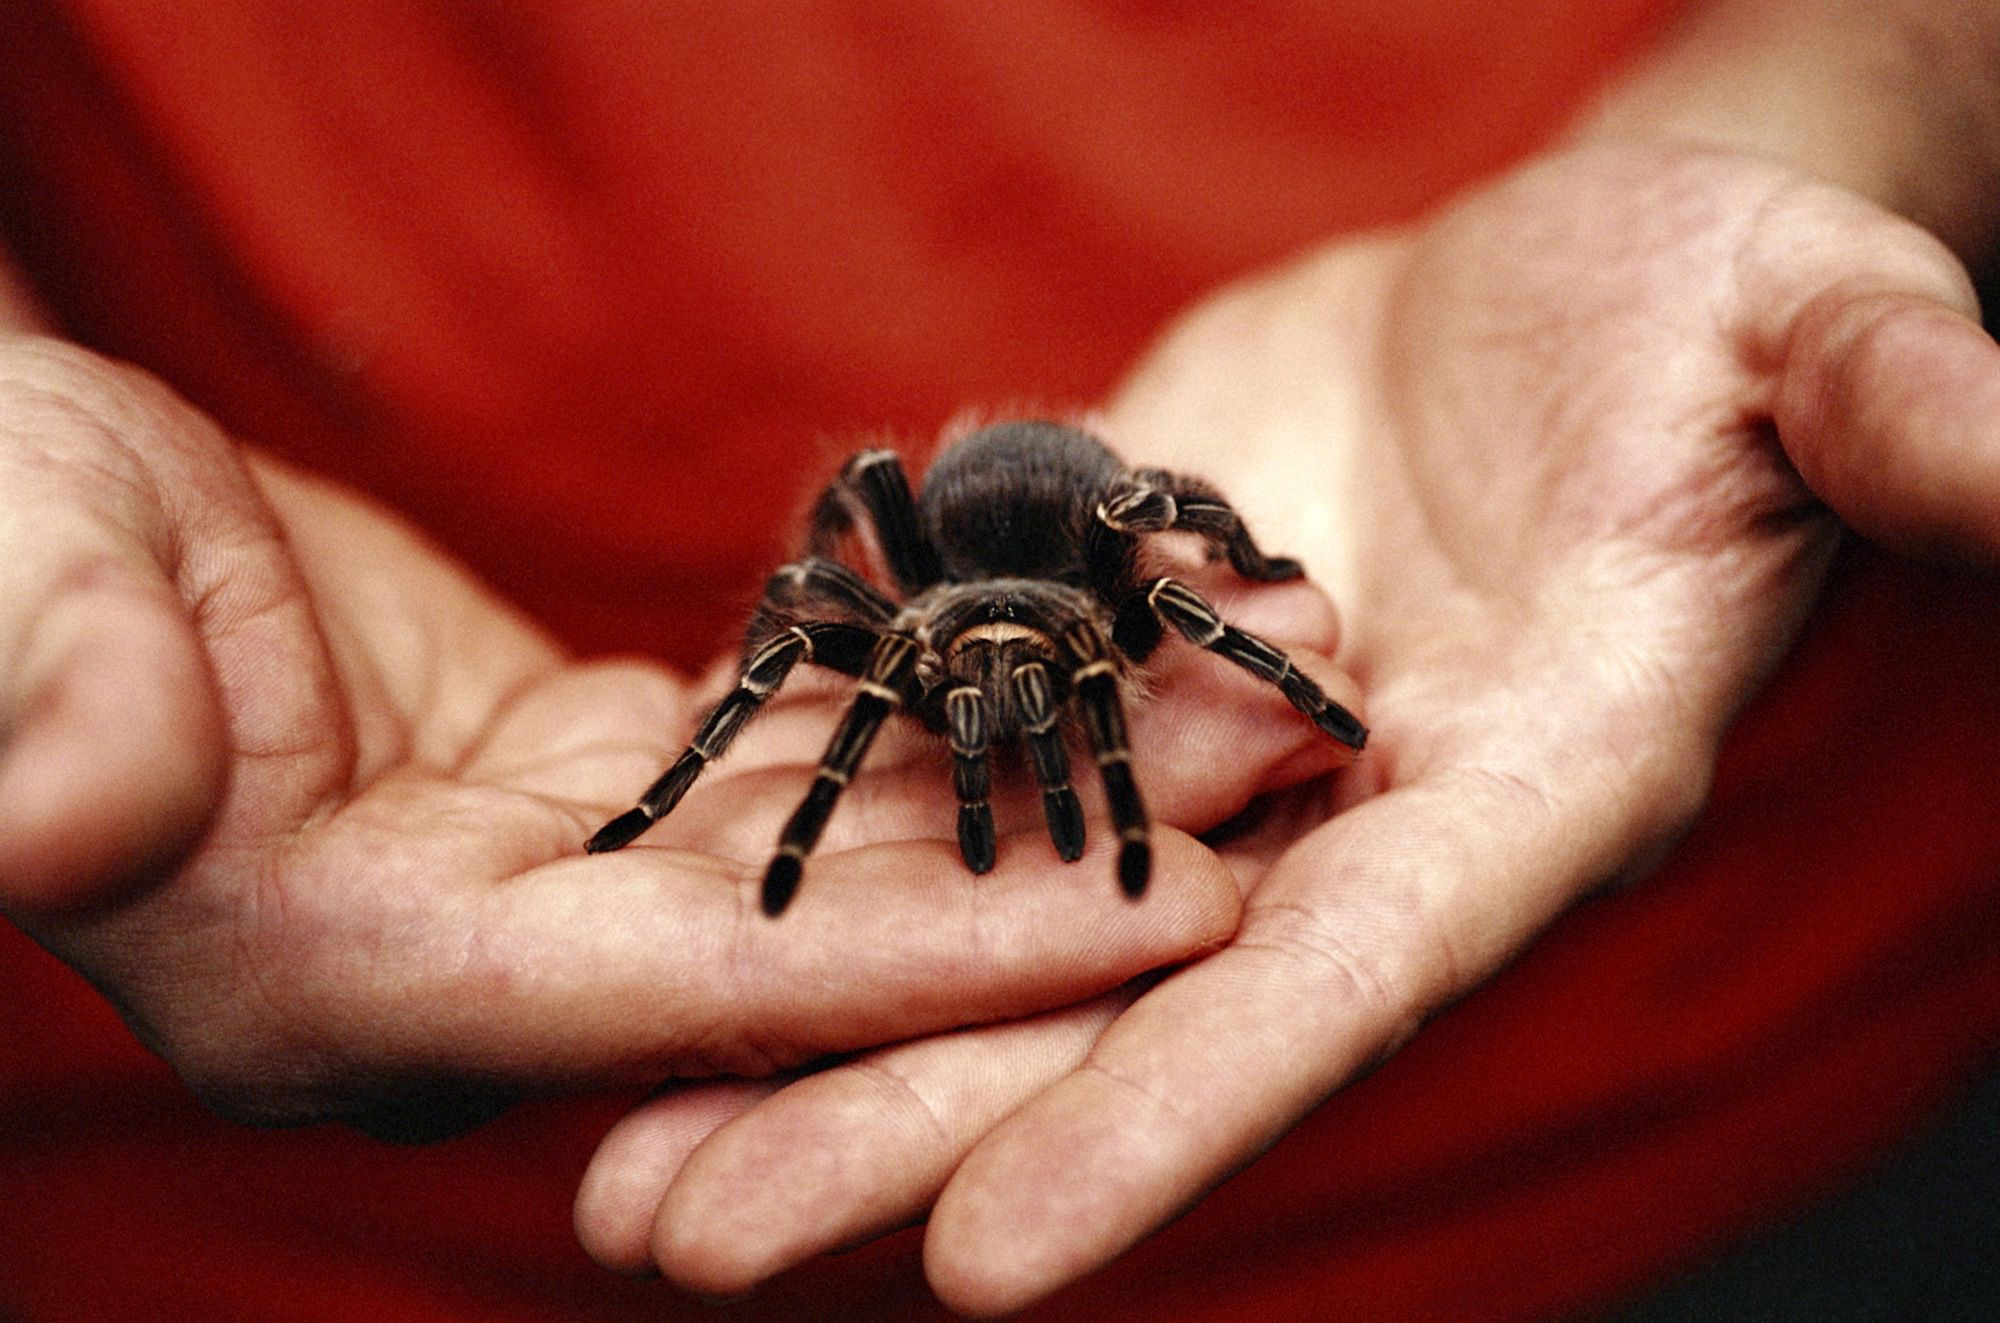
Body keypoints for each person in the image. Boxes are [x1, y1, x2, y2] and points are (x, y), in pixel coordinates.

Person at [2, 1, 1997, 1318]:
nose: (987, 721)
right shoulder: (888, 629)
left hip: (1754, 1105)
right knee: (835, 613)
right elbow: (838, 617)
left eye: (1014, 703)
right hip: (262, 1252)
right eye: (950, 696)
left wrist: (1885, 81)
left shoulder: (1108, 586)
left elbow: (1183, 580)